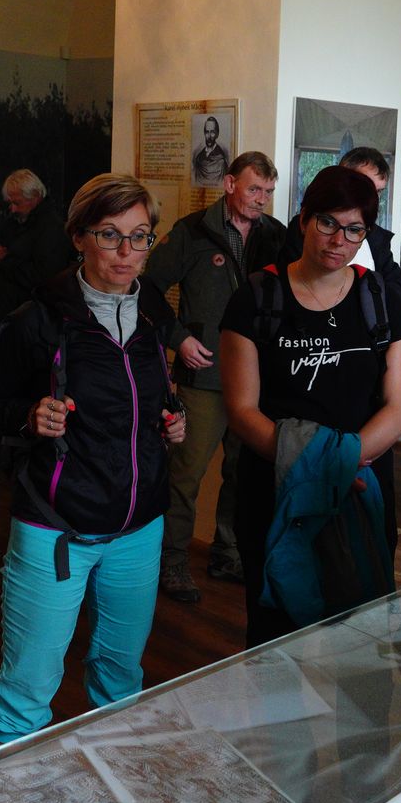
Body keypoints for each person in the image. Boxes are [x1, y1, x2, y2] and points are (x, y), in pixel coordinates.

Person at [0, 173, 187, 743]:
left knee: (121, 679)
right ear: (78, 237)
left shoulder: (153, 313)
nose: (126, 252)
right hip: (57, 526)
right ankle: (11, 787)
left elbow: (149, 396)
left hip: (139, 526)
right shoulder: (37, 319)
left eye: (139, 237)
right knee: (26, 691)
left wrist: (173, 418)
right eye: (109, 234)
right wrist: (30, 414)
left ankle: (111, 782)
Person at [220, 165, 401, 646]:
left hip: (362, 488)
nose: (338, 240)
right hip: (276, 490)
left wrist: (340, 464)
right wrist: (322, 467)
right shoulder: (256, 298)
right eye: (328, 222)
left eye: (354, 229)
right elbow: (242, 410)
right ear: (303, 219)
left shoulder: (380, 298)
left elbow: (398, 408)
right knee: (276, 637)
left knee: (363, 635)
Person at [141, 151, 286, 602]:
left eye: (268, 192)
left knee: (244, 474)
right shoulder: (192, 232)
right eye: (254, 189)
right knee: (185, 474)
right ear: (229, 184)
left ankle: (229, 554)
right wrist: (178, 339)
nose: (261, 199)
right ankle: (171, 562)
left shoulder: (276, 237)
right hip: (203, 378)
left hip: (255, 380)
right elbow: (146, 290)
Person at [280, 147, 401, 317]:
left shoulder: (377, 238)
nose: (372, 197)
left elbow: (399, 295)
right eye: (365, 184)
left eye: (378, 191)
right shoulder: (304, 228)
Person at [0, 169, 71, 330]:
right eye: (10, 203)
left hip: (31, 323)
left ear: (35, 197)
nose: (13, 209)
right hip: (7, 317)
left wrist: (4, 260)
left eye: (17, 203)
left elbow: (45, 278)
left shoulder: (52, 229)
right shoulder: (13, 224)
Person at [191, 115, 229, 186]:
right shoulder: (198, 159)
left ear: (217, 134)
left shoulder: (221, 162)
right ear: (204, 133)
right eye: (207, 132)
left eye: (212, 132)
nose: (209, 136)